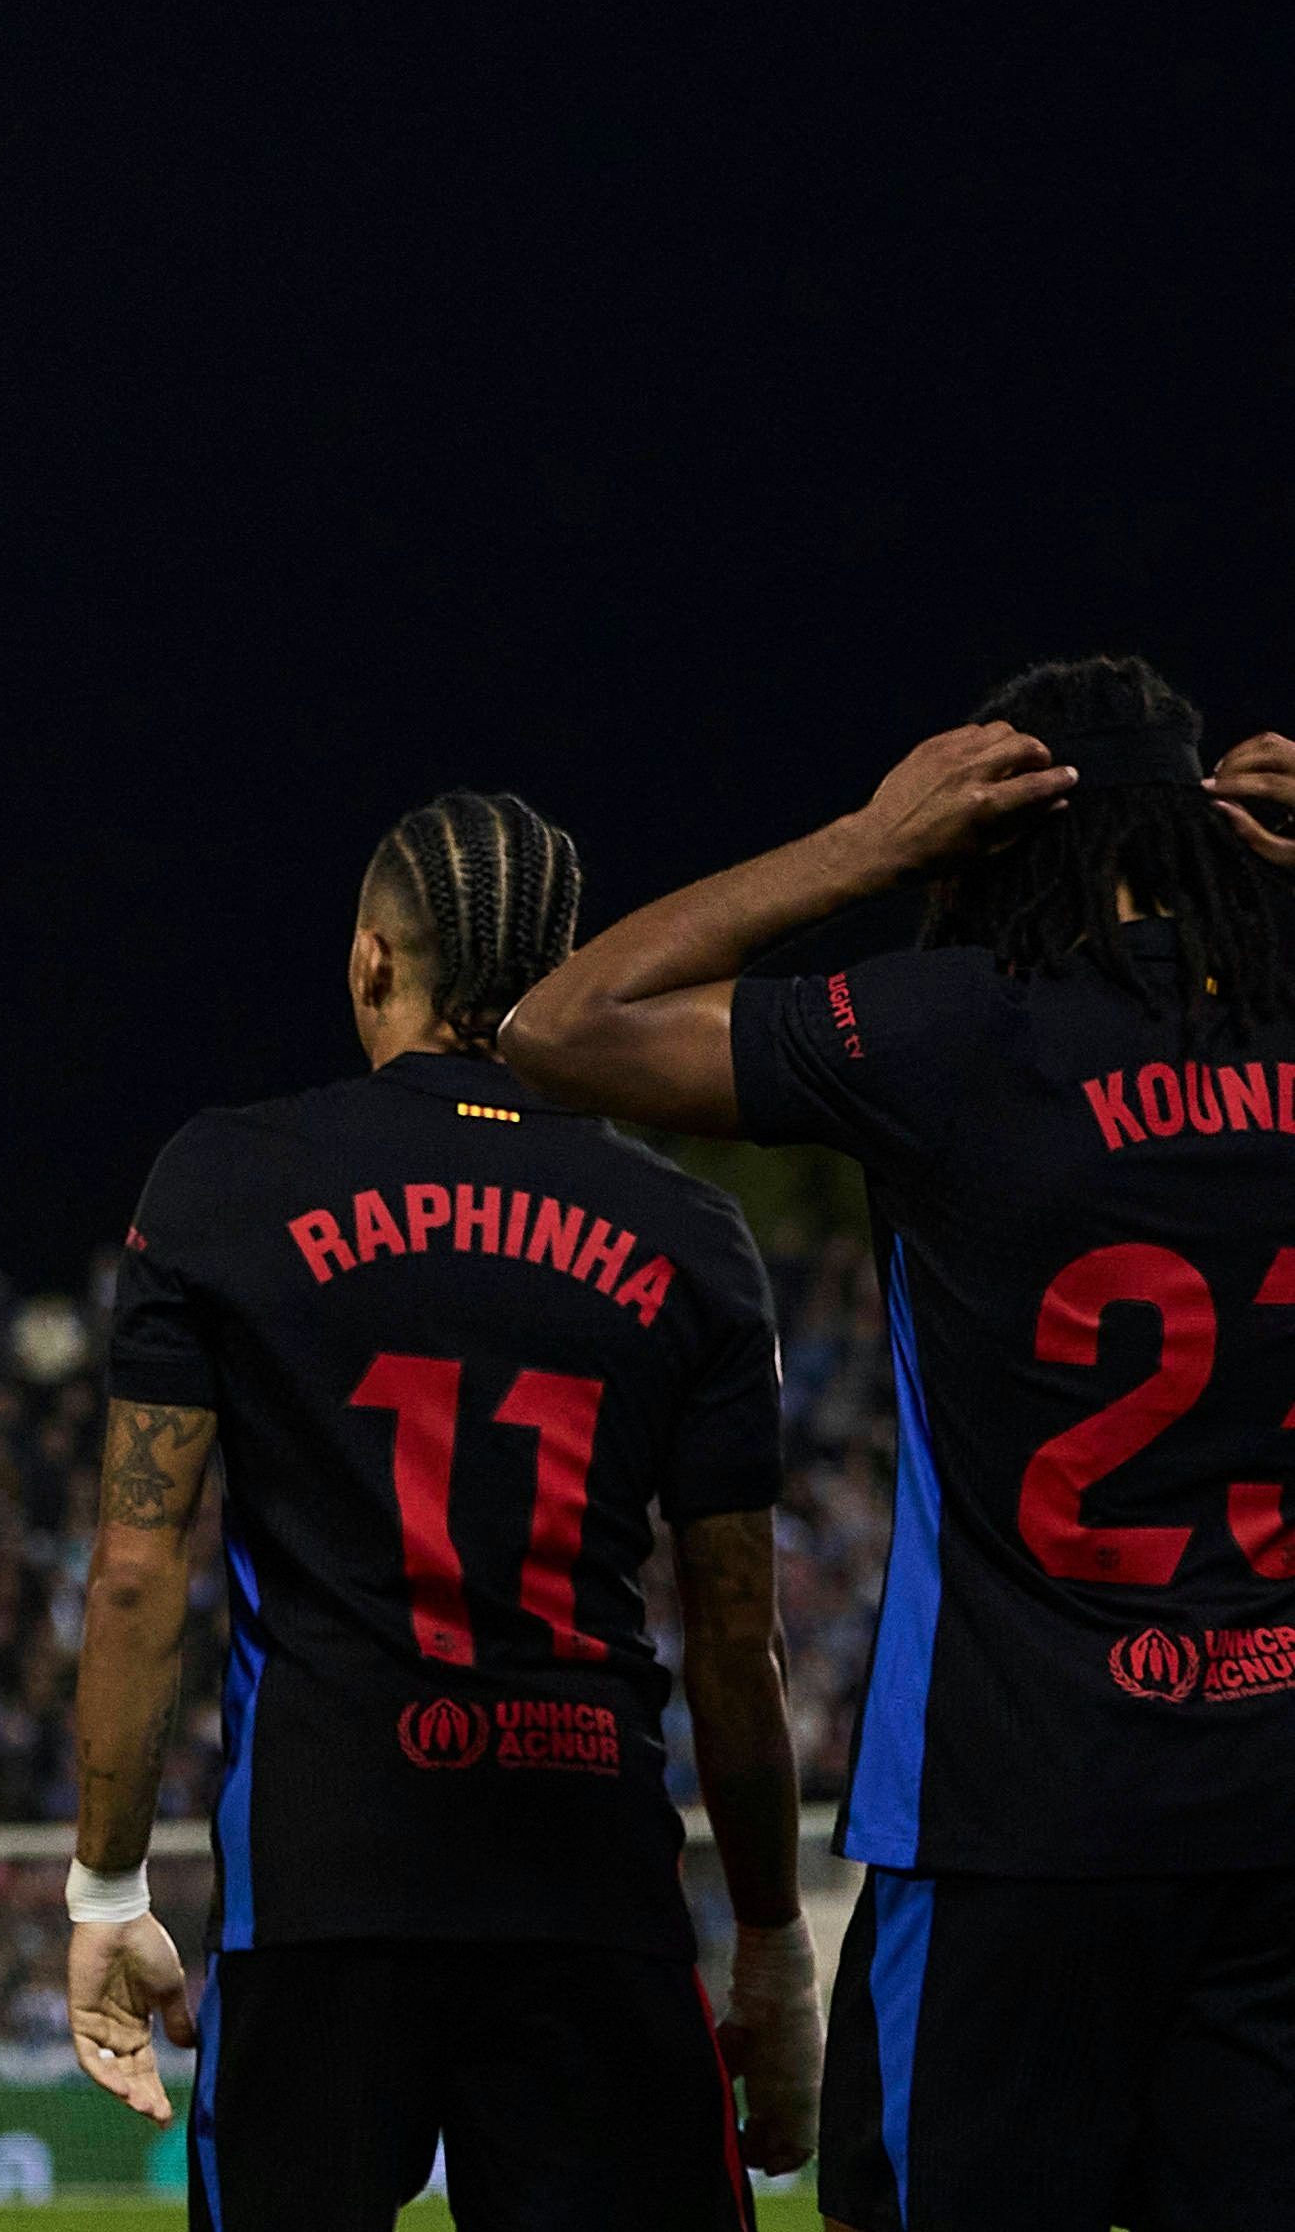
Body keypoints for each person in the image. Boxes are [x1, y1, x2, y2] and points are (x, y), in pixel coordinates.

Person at [500, 657, 1295, 2232]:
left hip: (1010, 1818)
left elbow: (557, 1027)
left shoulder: (952, 1029)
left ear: (991, 838)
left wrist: (863, 845)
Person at [69, 793, 815, 2230]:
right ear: (558, 974)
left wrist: (105, 1886)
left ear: (368, 965)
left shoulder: (224, 1179)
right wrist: (771, 1945)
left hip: (323, 1882)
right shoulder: (688, 1235)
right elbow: (737, 1638)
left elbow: (131, 1571)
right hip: (588, 1878)